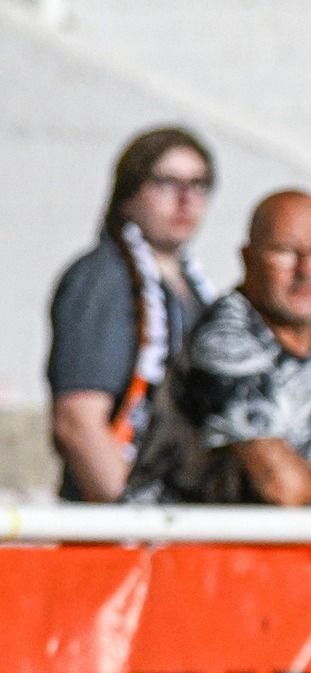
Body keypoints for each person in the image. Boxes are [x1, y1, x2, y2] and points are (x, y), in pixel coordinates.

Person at [125, 189, 311, 507]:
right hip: (174, 545)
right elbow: (280, 486)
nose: (305, 270)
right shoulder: (223, 339)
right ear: (248, 259)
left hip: (275, 550)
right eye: (285, 251)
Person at [46, 126, 219, 501]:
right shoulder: (104, 278)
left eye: (199, 184)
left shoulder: (193, 288)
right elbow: (79, 421)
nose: (185, 199)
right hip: (125, 527)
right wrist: (134, 518)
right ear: (129, 193)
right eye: (166, 182)